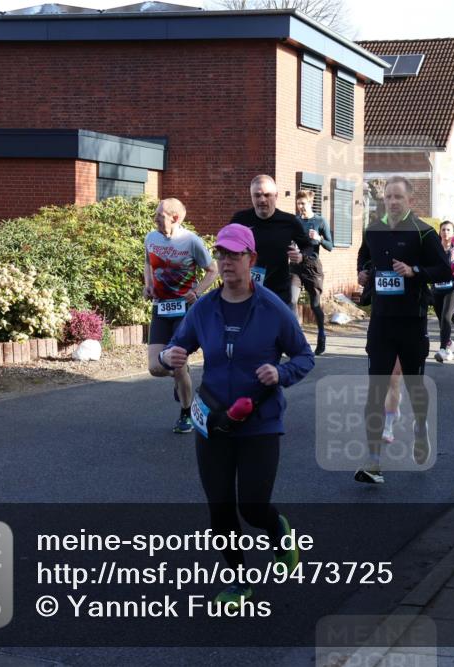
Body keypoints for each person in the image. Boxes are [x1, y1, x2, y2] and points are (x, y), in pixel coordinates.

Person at [161, 223, 314, 607]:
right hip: (213, 421)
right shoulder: (204, 309)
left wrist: (280, 373)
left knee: (253, 506)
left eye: (235, 254)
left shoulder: (273, 309)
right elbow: (176, 347)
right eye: (222, 254)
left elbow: (304, 356)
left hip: (261, 421)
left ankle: (278, 531)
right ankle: (239, 582)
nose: (227, 262)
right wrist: (168, 356)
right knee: (220, 509)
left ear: (251, 259)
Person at [355, 176, 449, 484]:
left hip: (412, 321)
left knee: (414, 386)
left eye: (398, 197)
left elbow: (444, 269)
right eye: (389, 197)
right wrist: (363, 273)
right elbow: (364, 257)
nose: (393, 201)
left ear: (410, 200)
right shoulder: (373, 230)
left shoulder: (423, 233)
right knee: (376, 390)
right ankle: (373, 461)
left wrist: (414, 271)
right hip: (381, 322)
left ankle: (420, 429)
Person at [145, 198, 220, 434]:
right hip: (160, 307)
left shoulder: (192, 241)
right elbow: (148, 263)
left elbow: (213, 270)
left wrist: (197, 292)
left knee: (177, 362)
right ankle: (181, 376)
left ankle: (186, 414)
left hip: (184, 311)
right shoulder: (151, 238)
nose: (155, 219)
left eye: (160, 216)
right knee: (155, 368)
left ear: (175, 218)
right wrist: (148, 284)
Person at [230, 175, 308, 305]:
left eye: (267, 195)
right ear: (251, 197)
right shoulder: (240, 219)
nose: (262, 200)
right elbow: (226, 248)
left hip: (278, 292)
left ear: (276, 196)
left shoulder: (289, 221)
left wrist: (301, 256)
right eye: (257, 195)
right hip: (246, 290)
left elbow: (308, 247)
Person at [291, 189, 333, 355]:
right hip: (295, 266)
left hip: (312, 267)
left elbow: (330, 246)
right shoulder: (294, 221)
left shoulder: (320, 221)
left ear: (310, 203)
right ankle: (297, 338)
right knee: (291, 300)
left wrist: (319, 238)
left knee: (314, 305)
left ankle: (321, 335)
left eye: (303, 203)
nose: (300, 206)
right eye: (298, 203)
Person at [433, 221, 454, 362]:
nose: (445, 232)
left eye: (448, 230)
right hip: (437, 288)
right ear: (440, 232)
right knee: (442, 321)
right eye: (443, 230)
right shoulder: (433, 251)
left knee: (446, 317)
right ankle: (448, 342)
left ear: (453, 233)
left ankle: (442, 350)